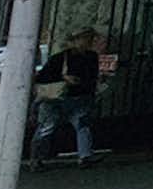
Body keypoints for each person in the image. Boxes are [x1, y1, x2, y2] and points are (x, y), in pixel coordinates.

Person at [31, 28, 102, 167]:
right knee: (49, 127)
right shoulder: (59, 59)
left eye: (90, 39)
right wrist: (63, 78)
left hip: (76, 97)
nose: (88, 42)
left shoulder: (91, 57)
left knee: (81, 125)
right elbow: (42, 77)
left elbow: (91, 78)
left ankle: (85, 156)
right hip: (57, 99)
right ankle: (37, 158)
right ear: (73, 41)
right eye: (85, 39)